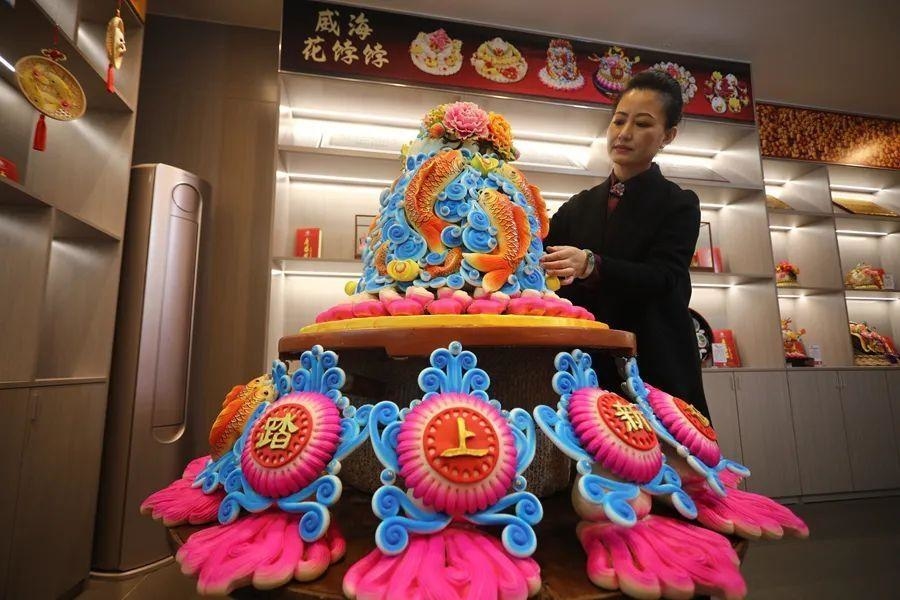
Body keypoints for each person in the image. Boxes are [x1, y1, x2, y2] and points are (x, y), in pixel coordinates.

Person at [540, 70, 709, 418]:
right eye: (619, 120)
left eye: (642, 123)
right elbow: (540, 257)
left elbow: (664, 277)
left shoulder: (679, 203)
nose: (624, 132)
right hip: (585, 364)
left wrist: (590, 264)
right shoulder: (578, 206)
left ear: (668, 136)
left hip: (654, 363)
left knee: (660, 449)